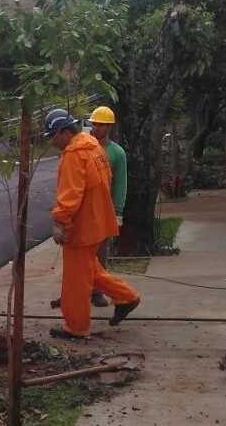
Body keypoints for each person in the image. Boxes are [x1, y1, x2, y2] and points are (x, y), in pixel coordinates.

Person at [44, 108, 139, 340]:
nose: (52, 141)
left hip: (82, 227)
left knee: (77, 279)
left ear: (64, 132)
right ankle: (127, 297)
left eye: (53, 136)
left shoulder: (75, 154)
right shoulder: (93, 147)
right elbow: (105, 180)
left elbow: (70, 194)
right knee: (90, 269)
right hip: (96, 221)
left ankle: (76, 327)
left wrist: (60, 222)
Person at [88, 106, 127, 307]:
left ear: (109, 126)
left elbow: (121, 183)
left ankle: (97, 291)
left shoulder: (116, 153)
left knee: (101, 253)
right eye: (94, 124)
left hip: (104, 210)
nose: (96, 128)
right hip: (86, 210)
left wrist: (118, 212)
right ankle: (79, 290)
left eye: (101, 124)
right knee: (81, 254)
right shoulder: (85, 148)